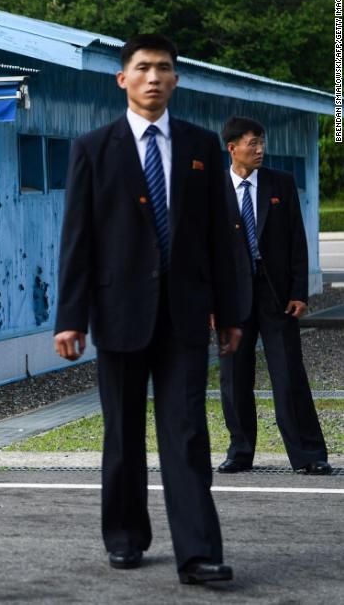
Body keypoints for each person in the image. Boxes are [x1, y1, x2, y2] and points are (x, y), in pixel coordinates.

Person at [53, 34, 242, 585]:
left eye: (163, 69)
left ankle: (199, 553)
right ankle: (126, 536)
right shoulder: (93, 148)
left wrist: (230, 312)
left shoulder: (203, 147)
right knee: (123, 433)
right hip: (118, 313)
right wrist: (71, 317)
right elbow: (77, 240)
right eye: (142, 68)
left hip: (185, 315)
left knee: (186, 433)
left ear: (176, 79)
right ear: (122, 79)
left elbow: (219, 239)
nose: (153, 77)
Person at [216, 116, 332, 476]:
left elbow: (298, 241)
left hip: (277, 296)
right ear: (232, 147)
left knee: (288, 374)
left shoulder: (280, 183)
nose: (260, 149)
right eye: (253, 143)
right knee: (234, 377)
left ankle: (309, 454)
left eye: (262, 142)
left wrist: (299, 291)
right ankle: (240, 452)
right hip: (232, 300)